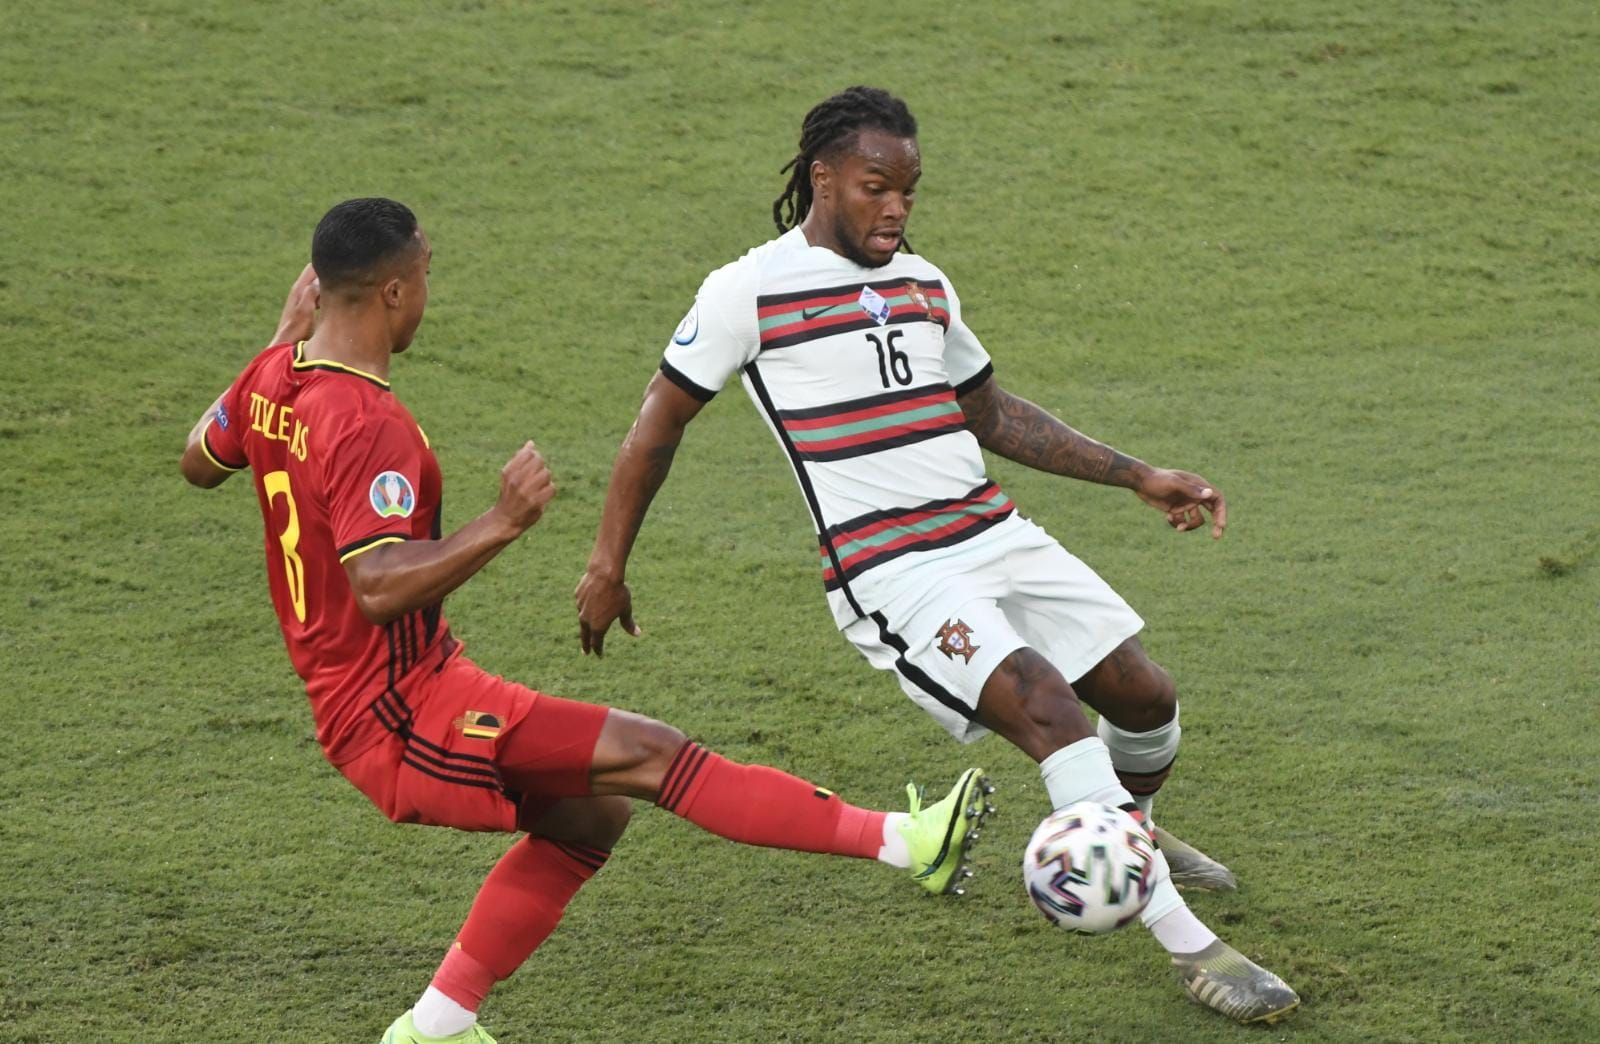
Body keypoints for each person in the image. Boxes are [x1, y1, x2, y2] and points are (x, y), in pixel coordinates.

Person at [180, 197, 993, 1044]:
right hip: (394, 713)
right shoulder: (365, 422)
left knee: (592, 815)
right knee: (651, 754)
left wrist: (277, 341)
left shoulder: (273, 375)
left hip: (408, 686)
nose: (427, 293)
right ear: (391, 291)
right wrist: (502, 522)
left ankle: (438, 1024)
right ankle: (908, 842)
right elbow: (378, 588)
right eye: (424, 275)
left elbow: (199, 460)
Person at [575, 87, 1299, 1025]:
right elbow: (656, 425)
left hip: (991, 530)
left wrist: (1137, 474)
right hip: (891, 567)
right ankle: (1190, 944)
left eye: (909, 191)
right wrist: (608, 564)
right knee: (1048, 706)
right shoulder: (746, 291)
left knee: (1144, 696)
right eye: (876, 187)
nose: (896, 209)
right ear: (823, 178)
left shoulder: (924, 285)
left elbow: (990, 413)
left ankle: (1133, 838)